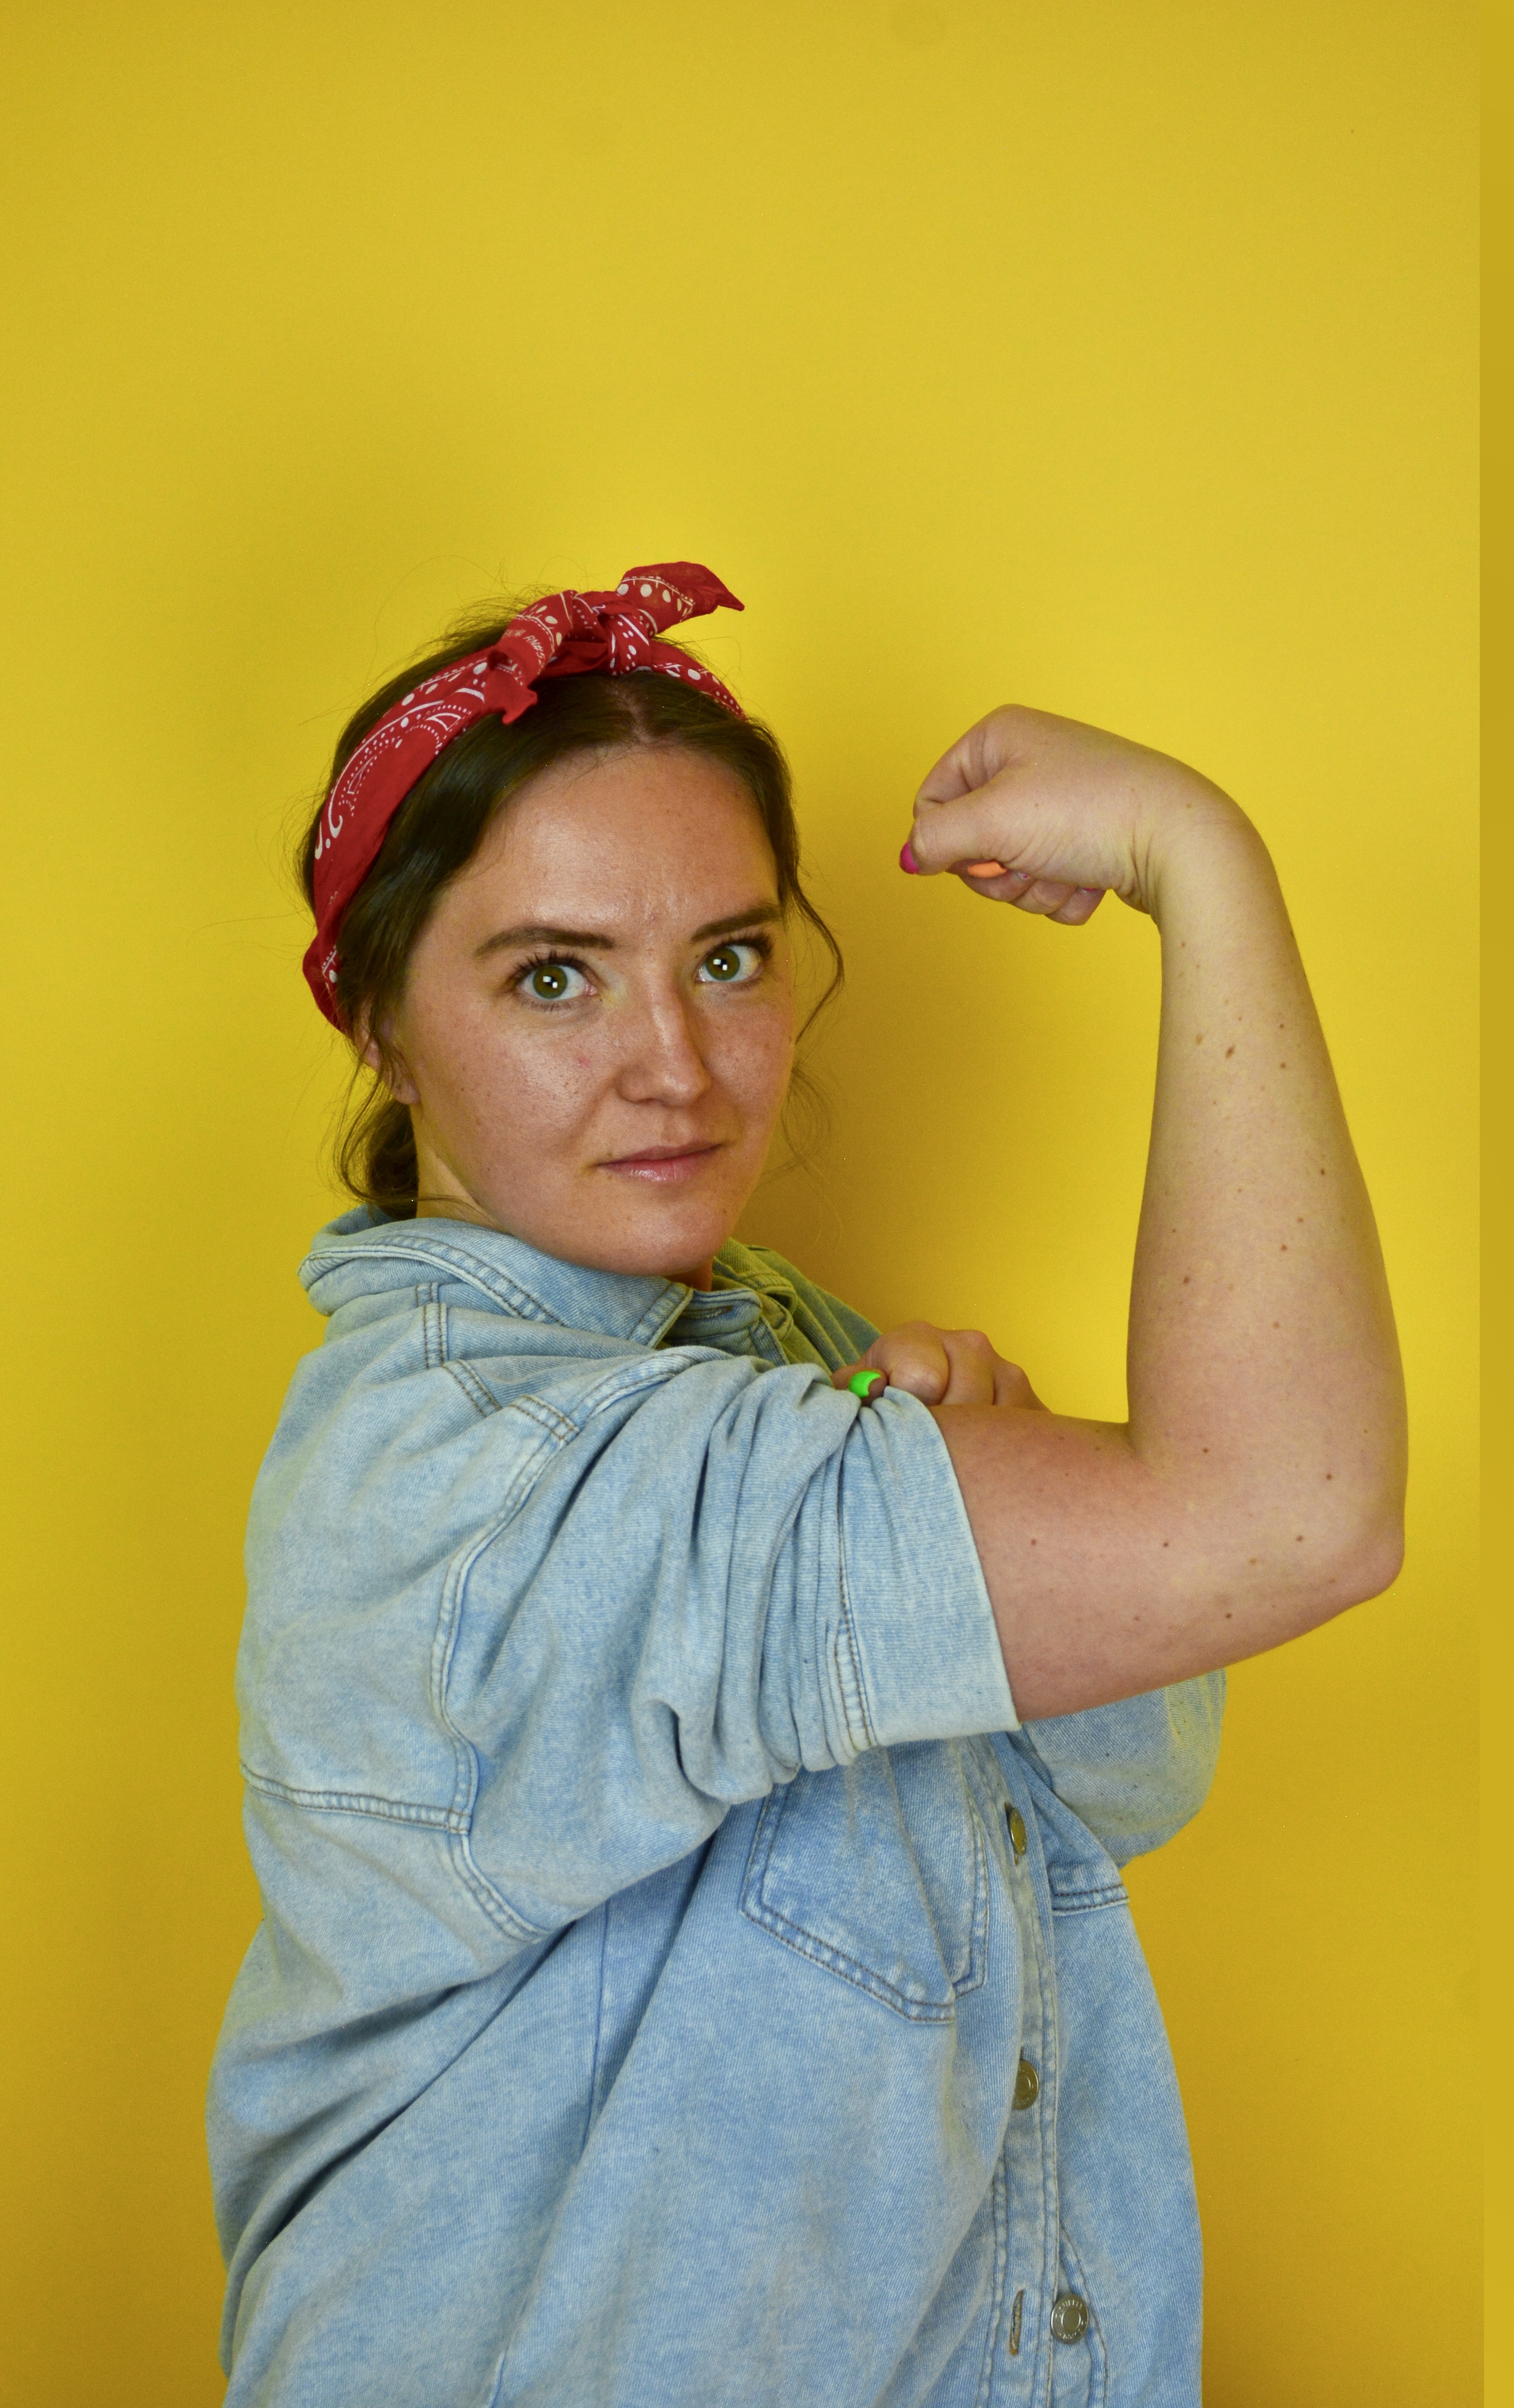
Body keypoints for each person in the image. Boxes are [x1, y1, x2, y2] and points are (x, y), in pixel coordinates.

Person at [207, 563, 1405, 2407]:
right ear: (376, 1020)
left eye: (730, 957)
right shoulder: (477, 1482)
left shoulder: (764, 1348)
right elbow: (1285, 1517)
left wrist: (940, 1470)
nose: (675, 1068)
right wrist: (1202, 861)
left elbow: (1129, 1766)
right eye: (552, 978)